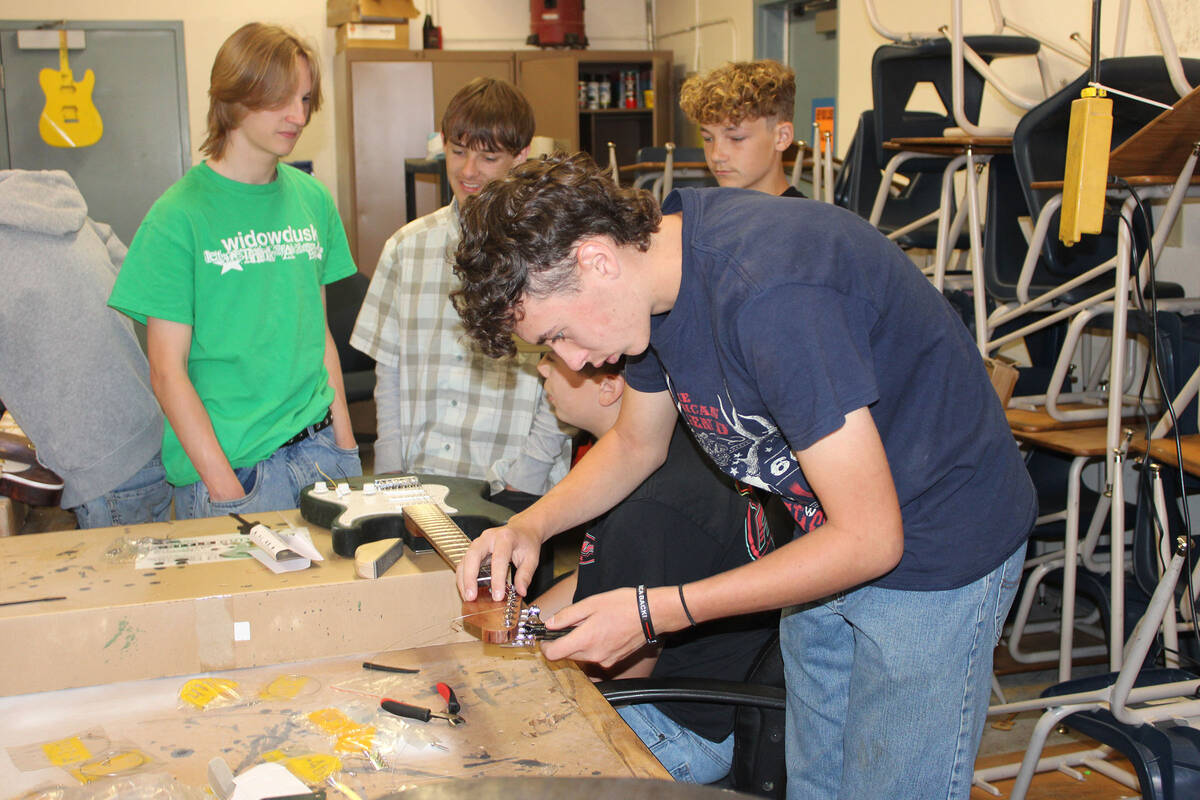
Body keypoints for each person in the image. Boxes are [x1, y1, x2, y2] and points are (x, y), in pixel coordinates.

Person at [449, 152, 1036, 800]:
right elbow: (635, 446)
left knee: (892, 786)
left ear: (595, 260)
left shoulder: (768, 295)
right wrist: (530, 526)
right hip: (821, 533)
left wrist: (654, 611)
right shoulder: (653, 287)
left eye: (560, 333)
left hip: (938, 542)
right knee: (816, 779)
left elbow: (872, 539)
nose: (574, 361)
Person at [109, 22, 361, 519]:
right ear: (235, 95)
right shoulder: (177, 217)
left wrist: (347, 446)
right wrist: (228, 492)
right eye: (281, 99)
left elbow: (319, 336)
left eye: (306, 99)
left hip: (320, 454)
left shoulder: (313, 199)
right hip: (235, 472)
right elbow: (167, 373)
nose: (298, 115)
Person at [531, 350, 776, 784]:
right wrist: (521, 623)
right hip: (695, 701)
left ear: (610, 385)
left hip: (678, 724)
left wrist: (520, 674)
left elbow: (617, 673)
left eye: (552, 355)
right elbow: (593, 573)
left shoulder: (647, 508)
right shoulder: (672, 448)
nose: (541, 367)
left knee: (504, 744)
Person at [350, 77, 571, 507]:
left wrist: (530, 470)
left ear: (521, 155)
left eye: (489, 157)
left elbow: (569, 369)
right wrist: (390, 463)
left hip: (512, 478)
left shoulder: (549, 252)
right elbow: (389, 368)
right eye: (457, 151)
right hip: (420, 475)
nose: (468, 171)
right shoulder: (406, 248)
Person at [0, 169, 171, 528]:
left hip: (101, 466)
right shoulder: (56, 205)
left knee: (129, 583)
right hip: (151, 430)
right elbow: (146, 286)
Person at [679, 60, 804, 198]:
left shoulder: (811, 218)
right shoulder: (704, 215)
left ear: (782, 137)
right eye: (708, 138)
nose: (716, 156)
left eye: (736, 138)